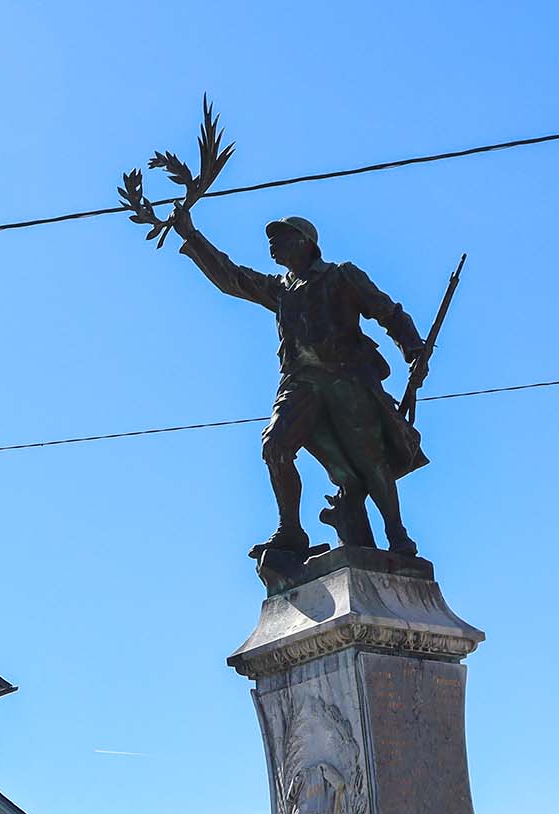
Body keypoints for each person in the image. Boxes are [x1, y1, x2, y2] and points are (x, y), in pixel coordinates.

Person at [170, 202, 428, 559]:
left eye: (281, 236)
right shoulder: (281, 290)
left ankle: (397, 534)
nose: (272, 243)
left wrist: (413, 348)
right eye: (271, 239)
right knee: (274, 447)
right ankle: (290, 531)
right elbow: (233, 278)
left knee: (369, 461)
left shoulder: (341, 276)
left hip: (346, 377)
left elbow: (388, 312)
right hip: (301, 383)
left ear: (307, 241)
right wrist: (190, 234)